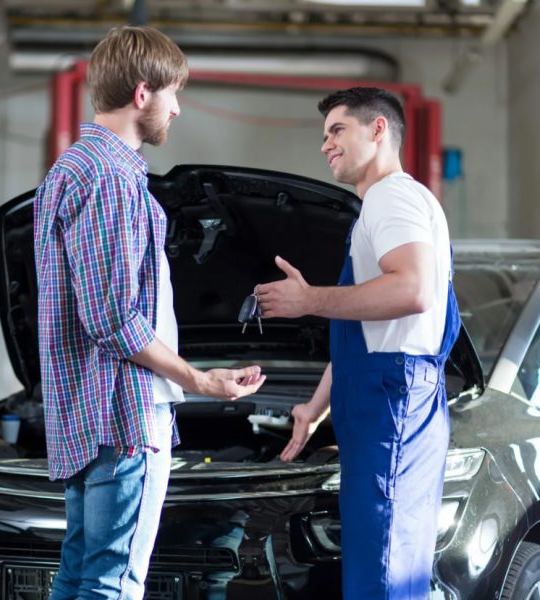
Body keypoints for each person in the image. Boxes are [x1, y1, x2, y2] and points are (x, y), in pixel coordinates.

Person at [33, 26, 265, 600]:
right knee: (113, 584)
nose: (178, 108)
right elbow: (111, 317)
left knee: (81, 576)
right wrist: (197, 379)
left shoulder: (71, 171)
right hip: (123, 416)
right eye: (173, 93)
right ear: (143, 94)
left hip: (87, 416)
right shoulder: (110, 180)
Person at [256, 87, 460, 599]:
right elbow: (370, 331)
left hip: (391, 400)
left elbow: (412, 290)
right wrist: (314, 406)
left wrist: (307, 301)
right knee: (389, 565)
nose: (325, 144)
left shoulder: (392, 197)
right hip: (390, 395)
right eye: (324, 135)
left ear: (378, 130)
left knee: (383, 573)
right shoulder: (393, 203)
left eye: (337, 130)